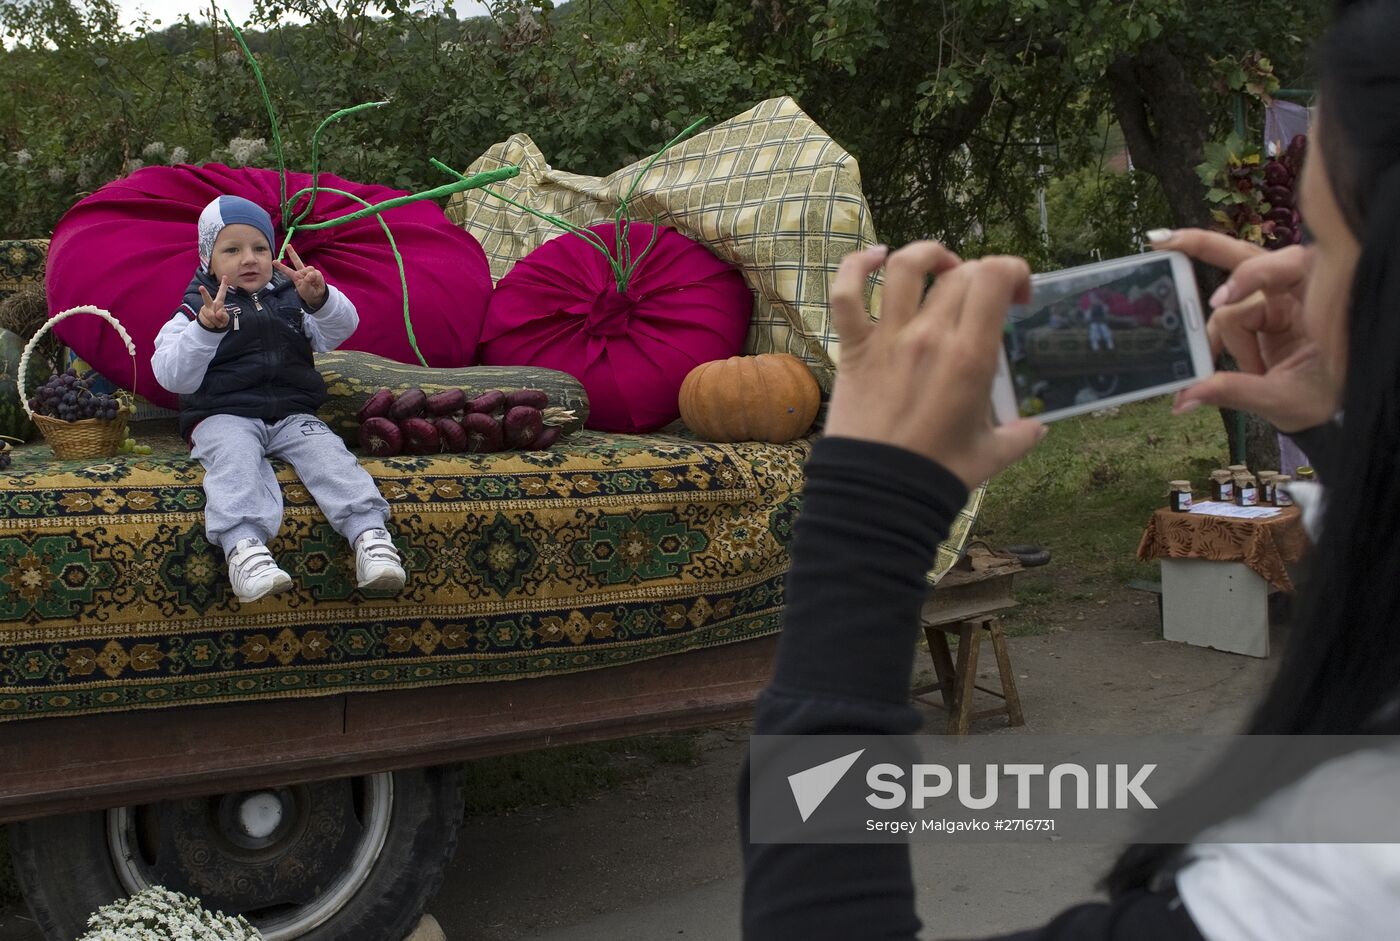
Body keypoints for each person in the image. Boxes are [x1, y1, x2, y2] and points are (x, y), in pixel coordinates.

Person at [739, 1, 1400, 937]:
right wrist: (1356, 419)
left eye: (1323, 245)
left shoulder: (1349, 870)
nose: (1292, 273)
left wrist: (864, 517)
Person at [152, 195, 407, 604]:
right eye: (231, 250)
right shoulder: (193, 310)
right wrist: (205, 330)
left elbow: (340, 330)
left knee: (331, 455)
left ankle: (370, 538)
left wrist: (320, 300)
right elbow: (172, 375)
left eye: (259, 248)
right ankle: (245, 550)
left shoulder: (292, 298)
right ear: (208, 260)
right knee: (234, 460)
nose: (248, 259)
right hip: (224, 414)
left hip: (291, 412)